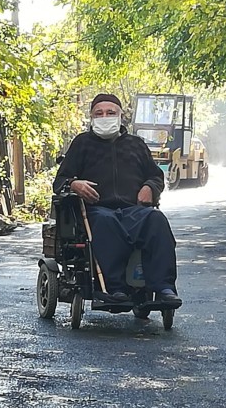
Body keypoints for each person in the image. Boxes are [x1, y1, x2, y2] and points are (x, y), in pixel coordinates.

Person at [53, 93, 181, 308]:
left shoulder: (135, 144)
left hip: (134, 210)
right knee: (106, 222)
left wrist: (150, 187)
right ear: (92, 118)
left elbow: (155, 175)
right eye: (99, 113)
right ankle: (116, 289)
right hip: (96, 210)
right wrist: (75, 184)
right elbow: (61, 180)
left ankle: (164, 288)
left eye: (110, 113)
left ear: (121, 116)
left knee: (156, 220)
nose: (105, 117)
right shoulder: (82, 143)